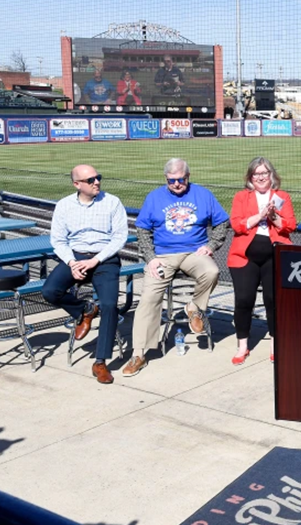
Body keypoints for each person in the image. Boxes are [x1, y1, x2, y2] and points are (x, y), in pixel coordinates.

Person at [122, 158, 230, 377]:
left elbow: (222, 222)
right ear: (166, 179)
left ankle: (194, 307)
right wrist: (150, 257)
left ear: (188, 177)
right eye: (172, 181)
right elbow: (142, 229)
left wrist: (211, 245)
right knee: (149, 298)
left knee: (212, 271)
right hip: (163, 255)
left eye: (181, 179)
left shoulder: (203, 194)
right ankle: (139, 354)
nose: (177, 184)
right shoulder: (154, 197)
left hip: (194, 252)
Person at [41, 165, 128, 384]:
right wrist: (72, 262)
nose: (97, 182)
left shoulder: (112, 202)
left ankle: (100, 362)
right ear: (77, 184)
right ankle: (85, 310)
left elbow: (119, 238)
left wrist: (95, 260)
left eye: (97, 177)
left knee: (109, 305)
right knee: (50, 291)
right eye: (90, 180)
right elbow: (58, 240)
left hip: (104, 258)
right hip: (75, 256)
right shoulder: (64, 205)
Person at [227, 157, 297, 365]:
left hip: (275, 254)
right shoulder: (241, 197)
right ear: (250, 177)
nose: (260, 177)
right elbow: (237, 225)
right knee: (244, 300)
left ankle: (275, 343)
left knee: (273, 299)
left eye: (264, 173)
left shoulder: (281, 196)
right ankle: (242, 346)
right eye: (256, 174)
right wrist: (260, 215)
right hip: (244, 256)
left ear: (271, 175)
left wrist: (274, 217)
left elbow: (290, 225)